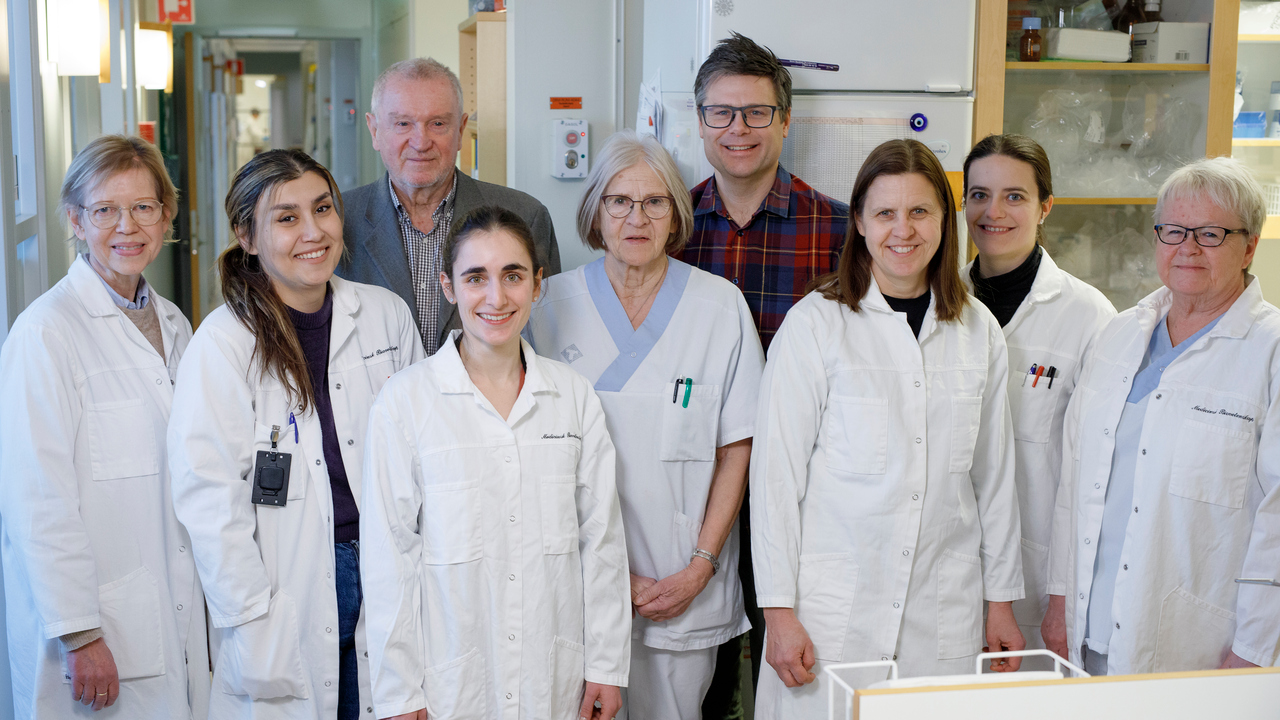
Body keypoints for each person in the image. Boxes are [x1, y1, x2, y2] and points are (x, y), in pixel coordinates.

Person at [751, 138, 1026, 718]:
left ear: (944, 222)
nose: (903, 230)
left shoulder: (979, 331)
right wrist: (777, 612)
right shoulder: (817, 325)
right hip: (832, 618)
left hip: (942, 612)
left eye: (920, 211)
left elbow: (995, 480)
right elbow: (775, 479)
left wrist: (1000, 601)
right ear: (860, 221)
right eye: (885, 213)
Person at [167, 149, 423, 719]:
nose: (313, 231)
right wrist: (253, 616)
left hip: (385, 570)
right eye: (286, 218)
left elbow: (421, 457)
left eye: (323, 208)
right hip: (288, 585)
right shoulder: (224, 344)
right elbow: (208, 498)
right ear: (247, 236)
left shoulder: (385, 317)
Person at [526, 131, 765, 720]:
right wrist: (608, 574)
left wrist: (701, 564)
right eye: (619, 201)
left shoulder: (720, 307)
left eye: (655, 202)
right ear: (595, 212)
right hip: (577, 578)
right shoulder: (545, 307)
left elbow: (738, 448)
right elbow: (529, 455)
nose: (637, 218)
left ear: (676, 213)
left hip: (682, 583)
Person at [360, 206, 630, 720]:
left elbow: (602, 545)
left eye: (513, 276)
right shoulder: (405, 403)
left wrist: (607, 666)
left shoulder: (572, 397)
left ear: (538, 284)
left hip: (553, 680)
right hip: (450, 683)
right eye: (475, 278)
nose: (496, 298)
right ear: (448, 286)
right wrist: (398, 693)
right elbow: (390, 560)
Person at [1044, 156, 1280, 675]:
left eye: (1211, 233)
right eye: (1173, 230)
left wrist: (1255, 650)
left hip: (1203, 647)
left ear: (1249, 247)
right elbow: (1075, 485)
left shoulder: (1270, 352)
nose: (1187, 247)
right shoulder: (1119, 335)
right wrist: (1060, 602)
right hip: (1088, 631)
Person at [0, 135, 210, 718]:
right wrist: (80, 633)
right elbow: (36, 500)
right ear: (74, 219)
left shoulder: (173, 322)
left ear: (166, 216)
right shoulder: (45, 334)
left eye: (144, 207)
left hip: (169, 608)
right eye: (105, 210)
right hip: (97, 629)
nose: (127, 226)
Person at [675, 33, 850, 708]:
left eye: (755, 112)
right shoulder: (670, 227)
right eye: (721, 112)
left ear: (784, 120)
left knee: (796, 670)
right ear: (699, 122)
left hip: (804, 493)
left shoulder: (837, 231)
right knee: (703, 678)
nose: (737, 129)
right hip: (698, 491)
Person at [960, 134, 1116, 665]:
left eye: (1015, 196)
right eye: (979, 194)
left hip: (1039, 576)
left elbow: (1095, 471)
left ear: (1045, 206)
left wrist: (1064, 597)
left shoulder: (1088, 315)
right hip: (951, 567)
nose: (993, 211)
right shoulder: (942, 302)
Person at [338, 57, 561, 356]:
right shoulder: (337, 222)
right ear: (375, 129)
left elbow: (546, 343)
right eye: (403, 123)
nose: (421, 141)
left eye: (438, 124)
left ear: (461, 130)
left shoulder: (526, 217)